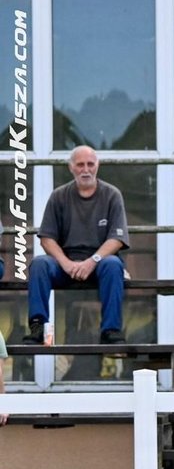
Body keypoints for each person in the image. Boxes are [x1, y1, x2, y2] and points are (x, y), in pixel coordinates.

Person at [23, 146, 128, 345]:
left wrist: (92, 261)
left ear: (98, 166)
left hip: (100, 263)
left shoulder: (112, 195)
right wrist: (65, 263)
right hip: (65, 263)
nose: (85, 169)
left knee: (114, 264)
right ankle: (38, 327)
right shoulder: (58, 196)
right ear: (71, 168)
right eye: (80, 164)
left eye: (90, 164)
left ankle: (111, 330)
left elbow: (117, 239)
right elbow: (46, 238)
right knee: (39, 264)